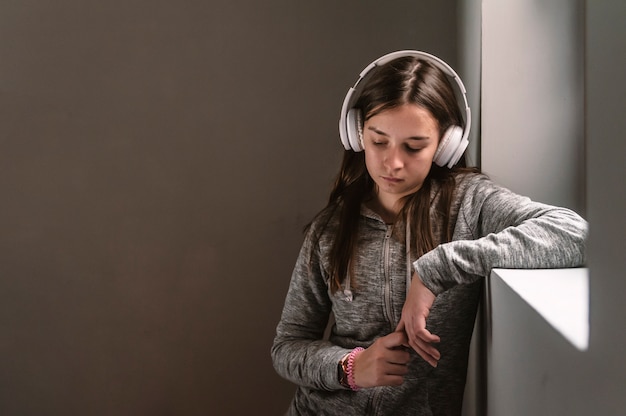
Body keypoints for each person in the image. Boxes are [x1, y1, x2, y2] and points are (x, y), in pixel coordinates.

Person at [271, 50, 587, 415]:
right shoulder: (329, 229)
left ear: (446, 145)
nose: (393, 162)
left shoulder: (469, 203)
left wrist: (437, 268)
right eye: (378, 141)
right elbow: (287, 346)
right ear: (357, 134)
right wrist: (350, 368)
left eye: (414, 146)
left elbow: (574, 232)